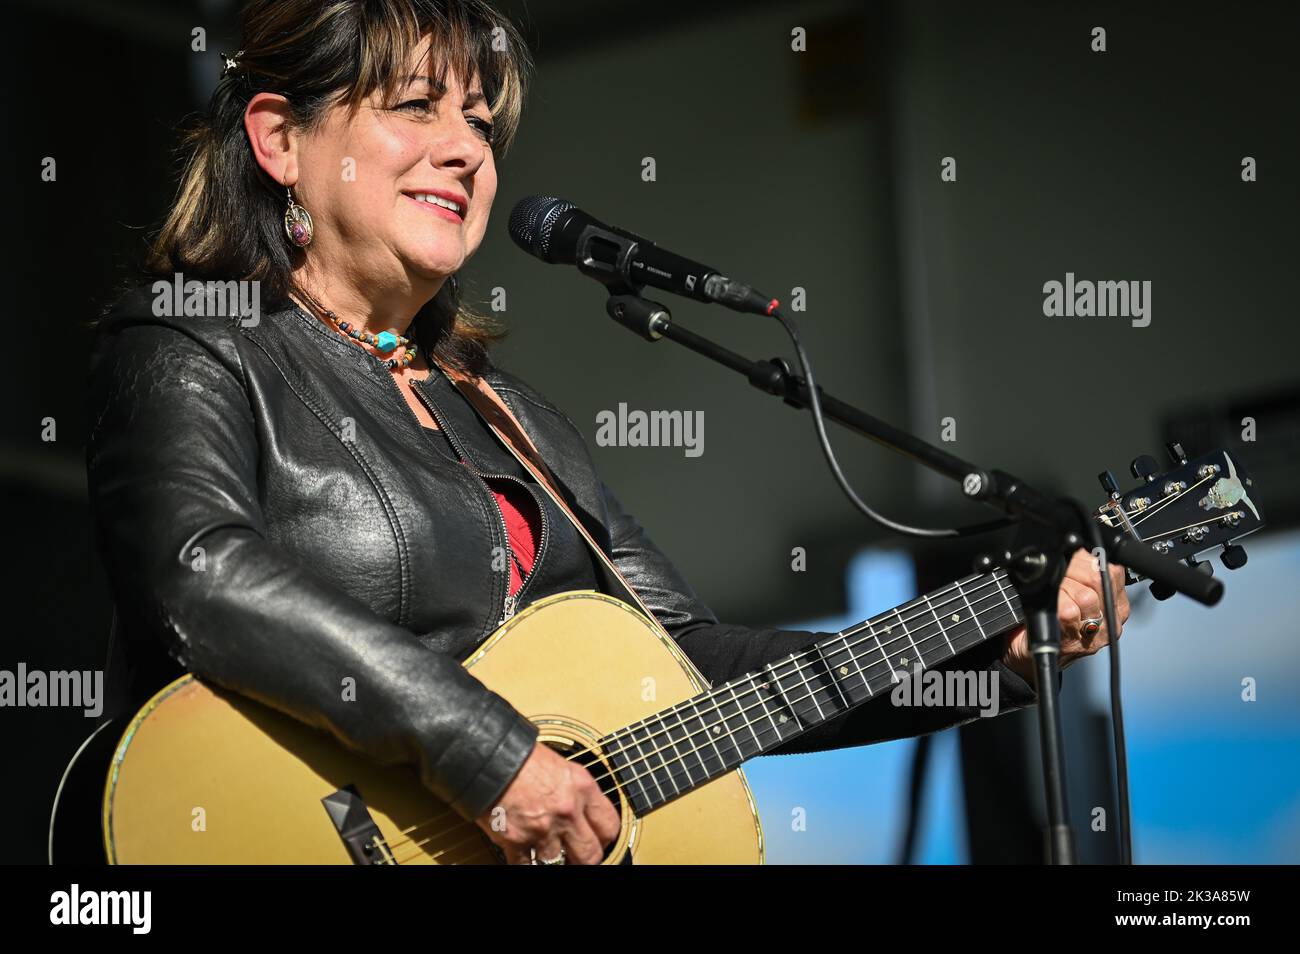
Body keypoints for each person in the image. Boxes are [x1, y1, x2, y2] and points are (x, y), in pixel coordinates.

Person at [84, 0, 1130, 866]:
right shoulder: (192, 338)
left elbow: (690, 665)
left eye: (483, 126)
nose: (466, 150)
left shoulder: (507, 413)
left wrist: (986, 656)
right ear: (278, 139)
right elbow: (202, 570)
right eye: (417, 108)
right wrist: (488, 754)